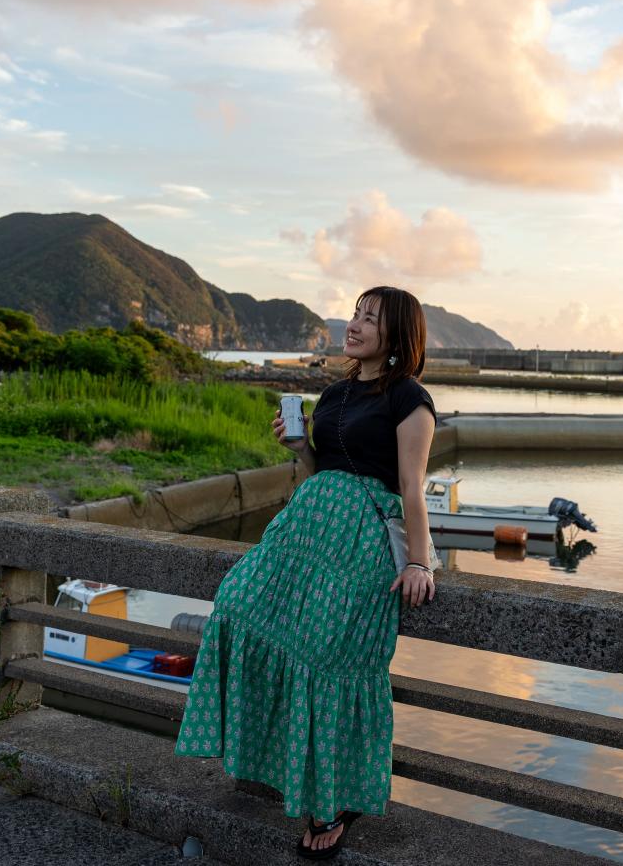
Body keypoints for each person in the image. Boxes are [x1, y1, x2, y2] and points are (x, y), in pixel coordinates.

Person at [173, 285, 438, 860]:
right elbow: (322, 468)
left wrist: (418, 561)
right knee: (236, 605)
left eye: (371, 319)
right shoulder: (336, 394)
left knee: (325, 659)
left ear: (396, 336)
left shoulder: (409, 400)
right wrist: (299, 445)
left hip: (360, 544)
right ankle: (273, 760)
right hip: (304, 534)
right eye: (356, 314)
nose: (356, 324)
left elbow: (412, 489)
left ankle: (336, 800)